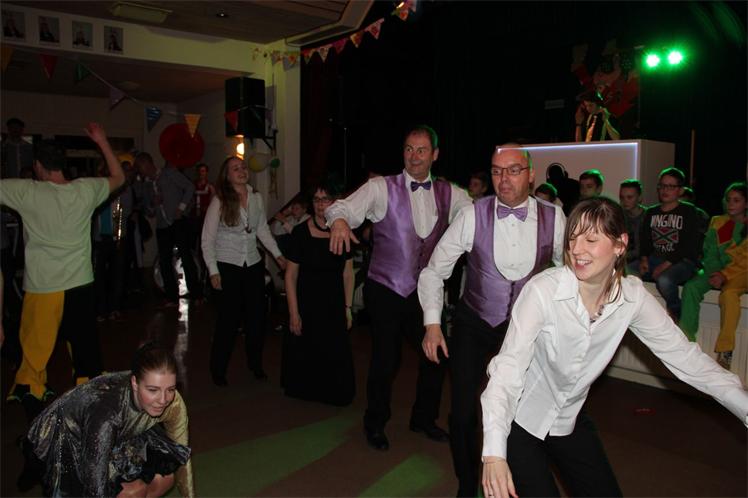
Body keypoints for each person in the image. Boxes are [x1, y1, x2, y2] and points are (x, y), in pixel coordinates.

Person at [480, 197, 748, 498]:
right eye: (572, 238)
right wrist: (494, 455)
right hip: (518, 420)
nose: (576, 249)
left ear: (620, 244)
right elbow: (508, 369)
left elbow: (686, 358)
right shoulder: (543, 290)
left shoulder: (633, 297)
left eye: (591, 239)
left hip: (569, 417)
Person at [418, 144, 565, 497]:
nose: (504, 179)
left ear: (531, 175)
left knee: (523, 413)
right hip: (475, 321)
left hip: (524, 329)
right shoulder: (472, 215)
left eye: (513, 170)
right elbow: (434, 271)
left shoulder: (555, 217)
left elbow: (568, 274)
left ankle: (516, 479)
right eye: (497, 171)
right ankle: (467, 484)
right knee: (463, 414)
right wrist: (433, 323)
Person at [327, 124, 472, 451]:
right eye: (409, 149)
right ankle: (375, 423)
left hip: (425, 292)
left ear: (435, 154)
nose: (414, 156)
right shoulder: (381, 188)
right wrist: (339, 221)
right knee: (386, 359)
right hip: (386, 287)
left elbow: (476, 217)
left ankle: (424, 419)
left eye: (422, 150)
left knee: (436, 356)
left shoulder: (450, 193)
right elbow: (342, 207)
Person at [1, 123, 123, 419]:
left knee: (34, 357)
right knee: (85, 352)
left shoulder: (26, 191)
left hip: (44, 287)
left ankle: (36, 421)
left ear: (38, 166)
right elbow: (119, 177)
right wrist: (102, 141)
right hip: (80, 284)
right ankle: (90, 414)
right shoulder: (85, 189)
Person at [22, 342, 194, 497]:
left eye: (170, 389)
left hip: (120, 428)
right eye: (153, 390)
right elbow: (94, 485)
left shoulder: (173, 402)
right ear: (135, 383)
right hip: (66, 435)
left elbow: (182, 456)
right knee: (134, 491)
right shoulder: (107, 414)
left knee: (165, 479)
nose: (163, 400)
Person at [201, 156, 286, 386]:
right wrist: (213, 271)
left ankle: (255, 364)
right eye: (235, 168)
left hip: (253, 263)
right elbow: (207, 239)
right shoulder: (220, 200)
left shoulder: (256, 197)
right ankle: (218, 369)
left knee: (257, 318)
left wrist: (278, 255)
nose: (241, 171)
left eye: (243, 167)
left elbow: (262, 229)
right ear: (227, 175)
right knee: (228, 321)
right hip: (227, 265)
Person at [282, 183, 355, 406]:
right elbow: (290, 276)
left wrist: (348, 308)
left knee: (335, 354)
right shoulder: (300, 233)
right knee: (307, 354)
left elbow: (348, 274)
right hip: (307, 304)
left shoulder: (343, 231)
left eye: (325, 199)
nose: (320, 204)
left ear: (335, 203)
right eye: (316, 199)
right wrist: (293, 313)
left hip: (333, 304)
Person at [680, 182, 747, 368]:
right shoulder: (718, 221)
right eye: (728, 199)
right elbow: (709, 251)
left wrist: (724, 275)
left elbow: (744, 260)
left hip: (740, 272)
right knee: (691, 287)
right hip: (715, 270)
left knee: (729, 295)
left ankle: (726, 350)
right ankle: (685, 342)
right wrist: (714, 272)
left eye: (736, 200)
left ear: (746, 204)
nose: (731, 204)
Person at [639, 167, 708, 320]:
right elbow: (645, 239)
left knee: (664, 280)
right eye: (662, 186)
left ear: (680, 190)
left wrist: (664, 266)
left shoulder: (688, 211)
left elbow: (688, 245)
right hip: (655, 258)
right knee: (626, 272)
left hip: (681, 261)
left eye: (671, 186)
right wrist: (644, 259)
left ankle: (676, 312)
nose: (665, 190)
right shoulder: (652, 212)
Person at [138, 153, 202, 306]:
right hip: (162, 226)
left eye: (141, 167)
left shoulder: (169, 174)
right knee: (165, 260)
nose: (142, 171)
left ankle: (196, 294)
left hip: (178, 222)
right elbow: (149, 211)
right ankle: (171, 296)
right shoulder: (146, 185)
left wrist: (181, 207)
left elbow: (190, 187)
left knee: (186, 256)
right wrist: (153, 204)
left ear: (148, 163)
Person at [619, 179, 645, 274]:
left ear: (639, 198)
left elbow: (642, 249)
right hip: (624, 258)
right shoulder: (619, 216)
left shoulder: (648, 216)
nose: (625, 201)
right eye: (622, 197)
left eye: (629, 197)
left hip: (641, 259)